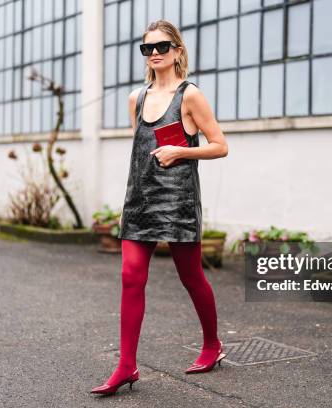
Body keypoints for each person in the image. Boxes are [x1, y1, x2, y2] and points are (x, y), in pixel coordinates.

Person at [91, 20, 229, 396]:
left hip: (178, 200)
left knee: (191, 276)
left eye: (162, 47)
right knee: (131, 276)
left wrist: (182, 149)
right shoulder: (135, 98)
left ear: (177, 51)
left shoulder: (190, 96)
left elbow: (220, 145)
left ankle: (213, 344)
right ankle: (126, 366)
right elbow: (141, 150)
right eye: (147, 48)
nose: (154, 53)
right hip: (139, 200)